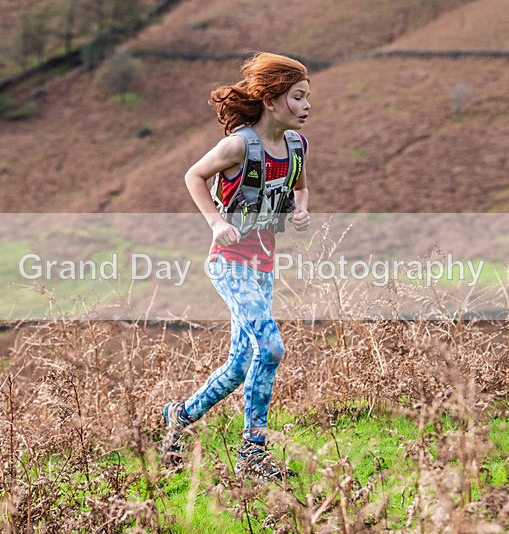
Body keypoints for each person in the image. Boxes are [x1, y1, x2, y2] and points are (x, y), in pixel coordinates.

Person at [161, 52, 312, 482]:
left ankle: (179, 416)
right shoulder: (238, 145)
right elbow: (194, 175)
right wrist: (215, 221)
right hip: (228, 264)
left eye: (307, 98)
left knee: (241, 364)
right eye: (298, 97)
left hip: (263, 265)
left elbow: (301, 189)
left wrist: (301, 211)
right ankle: (253, 454)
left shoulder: (297, 146)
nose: (307, 107)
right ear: (270, 99)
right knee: (271, 348)